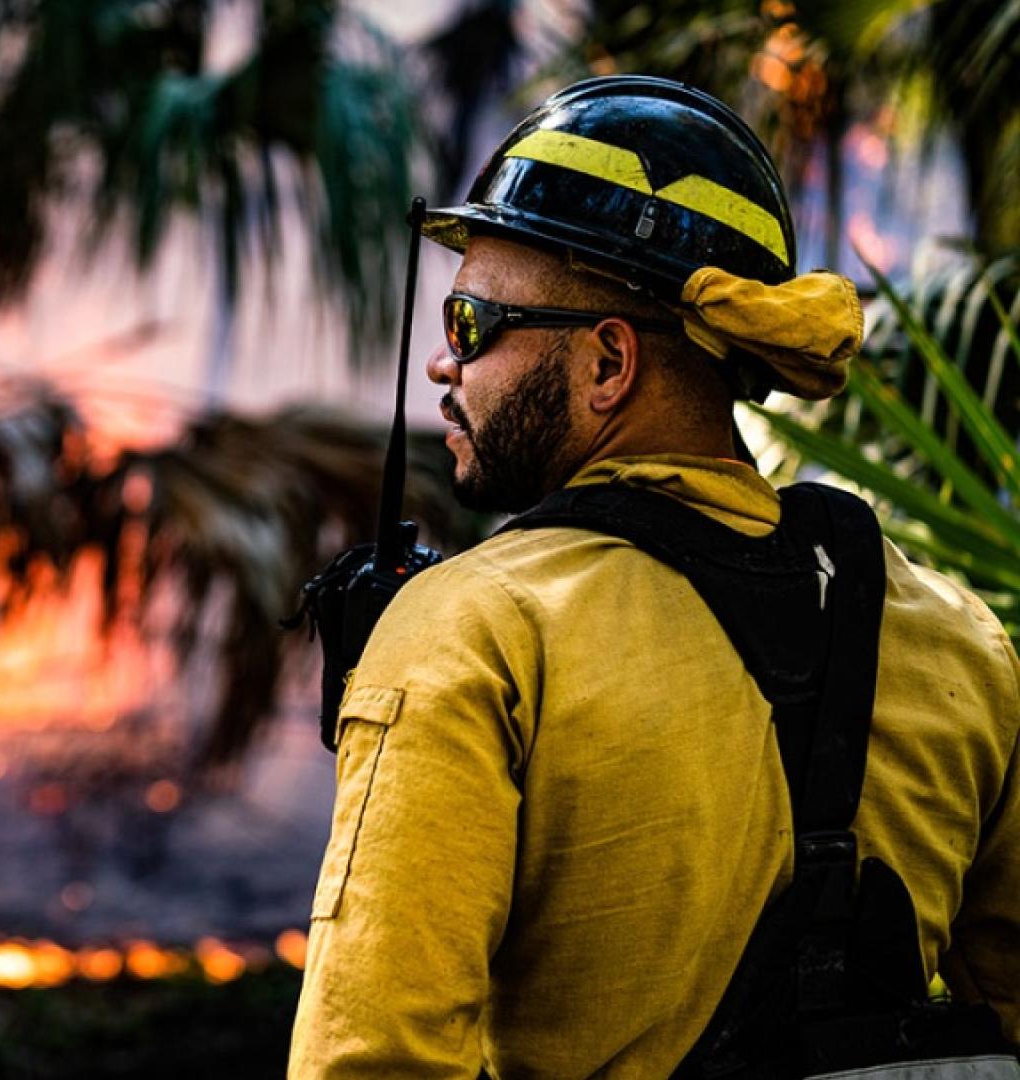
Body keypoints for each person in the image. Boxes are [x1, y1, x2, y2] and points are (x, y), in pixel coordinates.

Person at [288, 75, 1020, 1078]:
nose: (442, 368)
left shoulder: (478, 630)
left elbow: (373, 1061)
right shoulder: (963, 641)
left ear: (607, 365)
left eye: (469, 324)